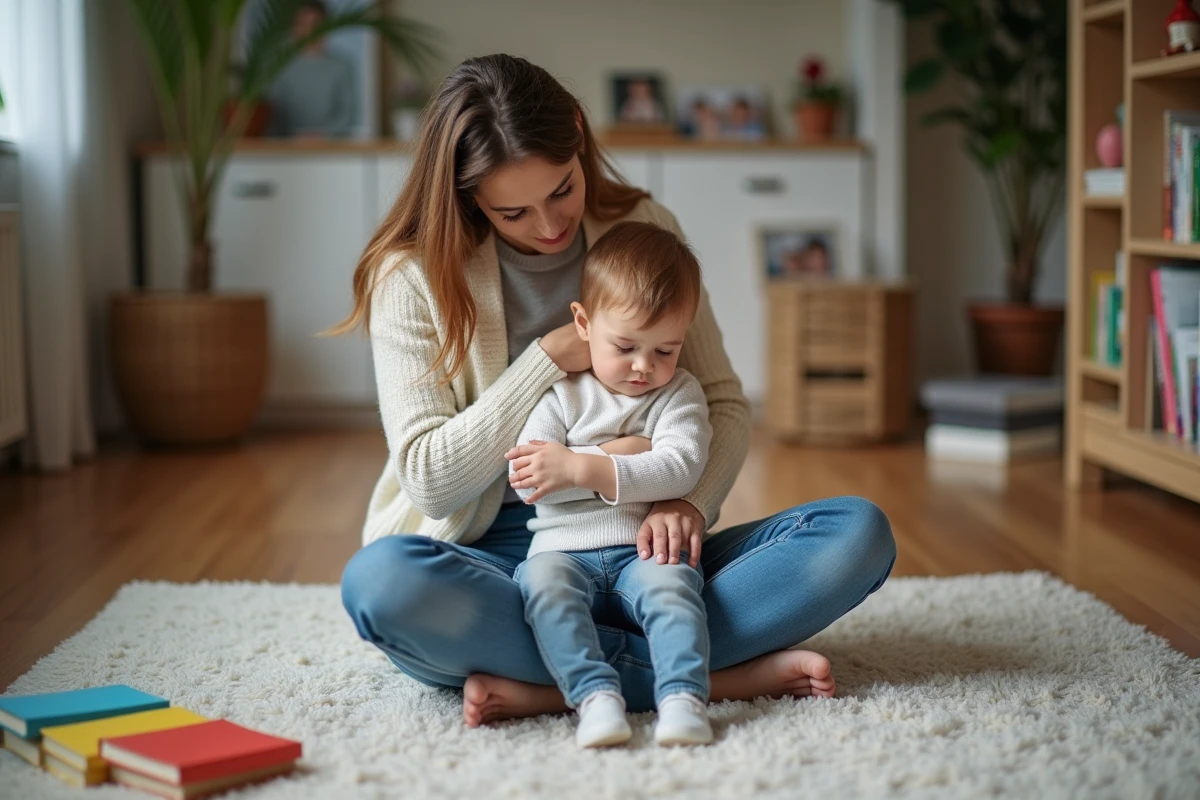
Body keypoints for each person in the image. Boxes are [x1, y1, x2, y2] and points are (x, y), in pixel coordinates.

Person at [335, 54, 896, 728]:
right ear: (466, 194)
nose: (548, 226)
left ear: (577, 133)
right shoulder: (413, 275)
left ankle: (560, 683)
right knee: (382, 584)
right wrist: (546, 358)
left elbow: (720, 403)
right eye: (513, 211)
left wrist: (687, 498)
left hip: (651, 542)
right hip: (503, 560)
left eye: (562, 191)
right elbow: (429, 478)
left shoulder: (645, 226)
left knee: (856, 533)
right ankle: (703, 677)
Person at [508, 222, 714, 748]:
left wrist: (578, 466)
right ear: (583, 322)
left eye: (665, 350)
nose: (645, 367)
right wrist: (623, 458)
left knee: (675, 592)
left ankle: (682, 698)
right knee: (543, 592)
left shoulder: (680, 394)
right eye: (625, 346)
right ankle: (594, 696)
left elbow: (683, 468)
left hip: (643, 546)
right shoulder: (558, 396)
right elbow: (534, 482)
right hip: (560, 549)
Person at [265, 0, 358, 138]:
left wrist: (321, 135)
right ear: (292, 26)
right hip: (285, 151)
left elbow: (347, 117)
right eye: (302, 23)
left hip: (332, 151)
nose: (309, 30)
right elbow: (270, 115)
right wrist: (296, 137)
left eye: (315, 24)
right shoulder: (278, 67)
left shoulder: (342, 67)